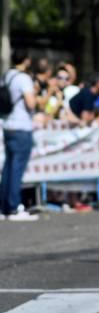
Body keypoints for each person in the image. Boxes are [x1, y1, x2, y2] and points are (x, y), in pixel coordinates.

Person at [0, 49, 39, 221]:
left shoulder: (6, 76)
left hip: (7, 124)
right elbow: (31, 103)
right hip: (21, 125)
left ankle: (4, 207)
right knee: (17, 168)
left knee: (8, 167)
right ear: (26, 60)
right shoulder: (24, 78)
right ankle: (14, 206)